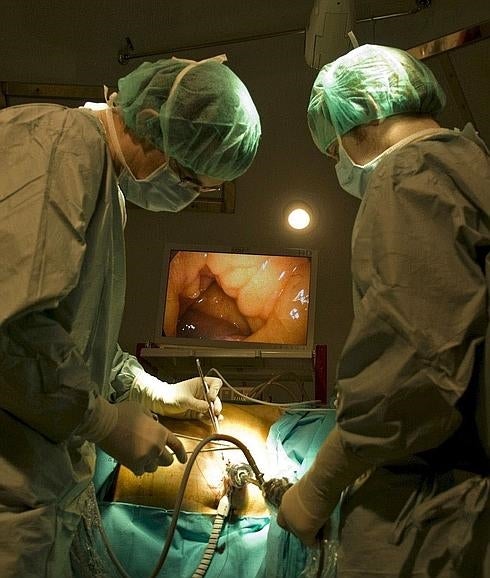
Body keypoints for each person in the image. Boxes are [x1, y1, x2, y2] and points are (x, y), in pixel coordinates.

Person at [0, 54, 261, 577]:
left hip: (35, 482)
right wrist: (103, 423)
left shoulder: (103, 184)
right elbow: (15, 331)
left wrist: (155, 391)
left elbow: (77, 337)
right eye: (188, 177)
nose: (187, 195)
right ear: (149, 123)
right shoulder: (60, 148)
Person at [277, 44, 489, 577]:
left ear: (361, 120)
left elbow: (412, 372)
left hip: (440, 518)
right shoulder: (471, 164)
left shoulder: (409, 175)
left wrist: (317, 488)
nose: (338, 164)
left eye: (333, 150)